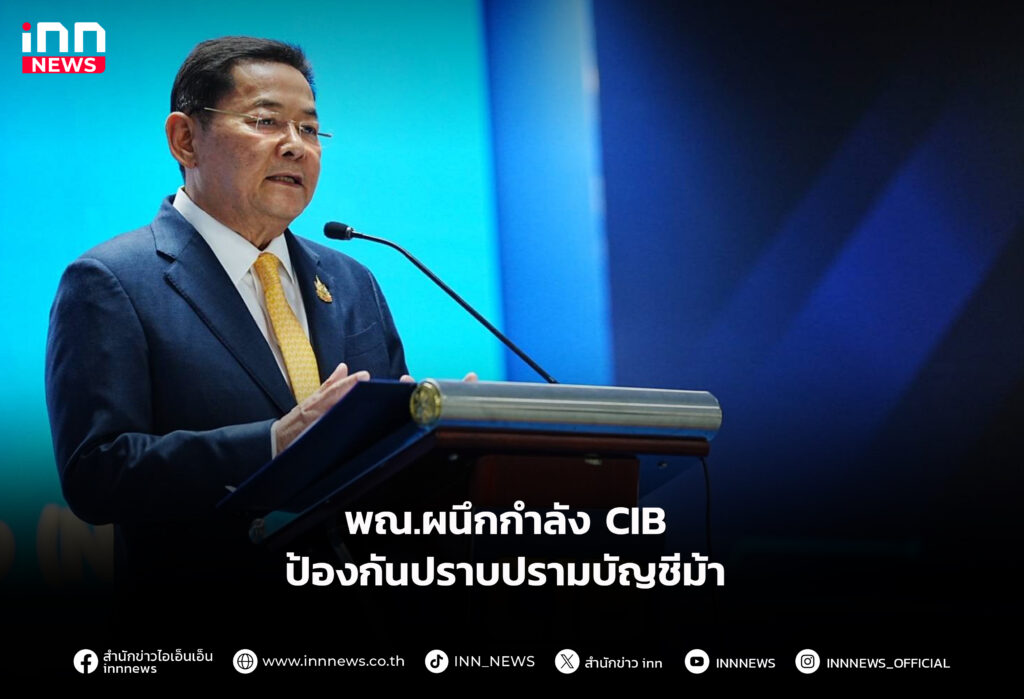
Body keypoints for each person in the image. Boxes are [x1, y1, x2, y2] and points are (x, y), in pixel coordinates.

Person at [44, 37, 409, 587]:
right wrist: (272, 444)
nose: (296, 146)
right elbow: (97, 472)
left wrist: (439, 434)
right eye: (266, 121)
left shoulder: (352, 280)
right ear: (185, 139)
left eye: (310, 129)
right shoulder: (111, 280)